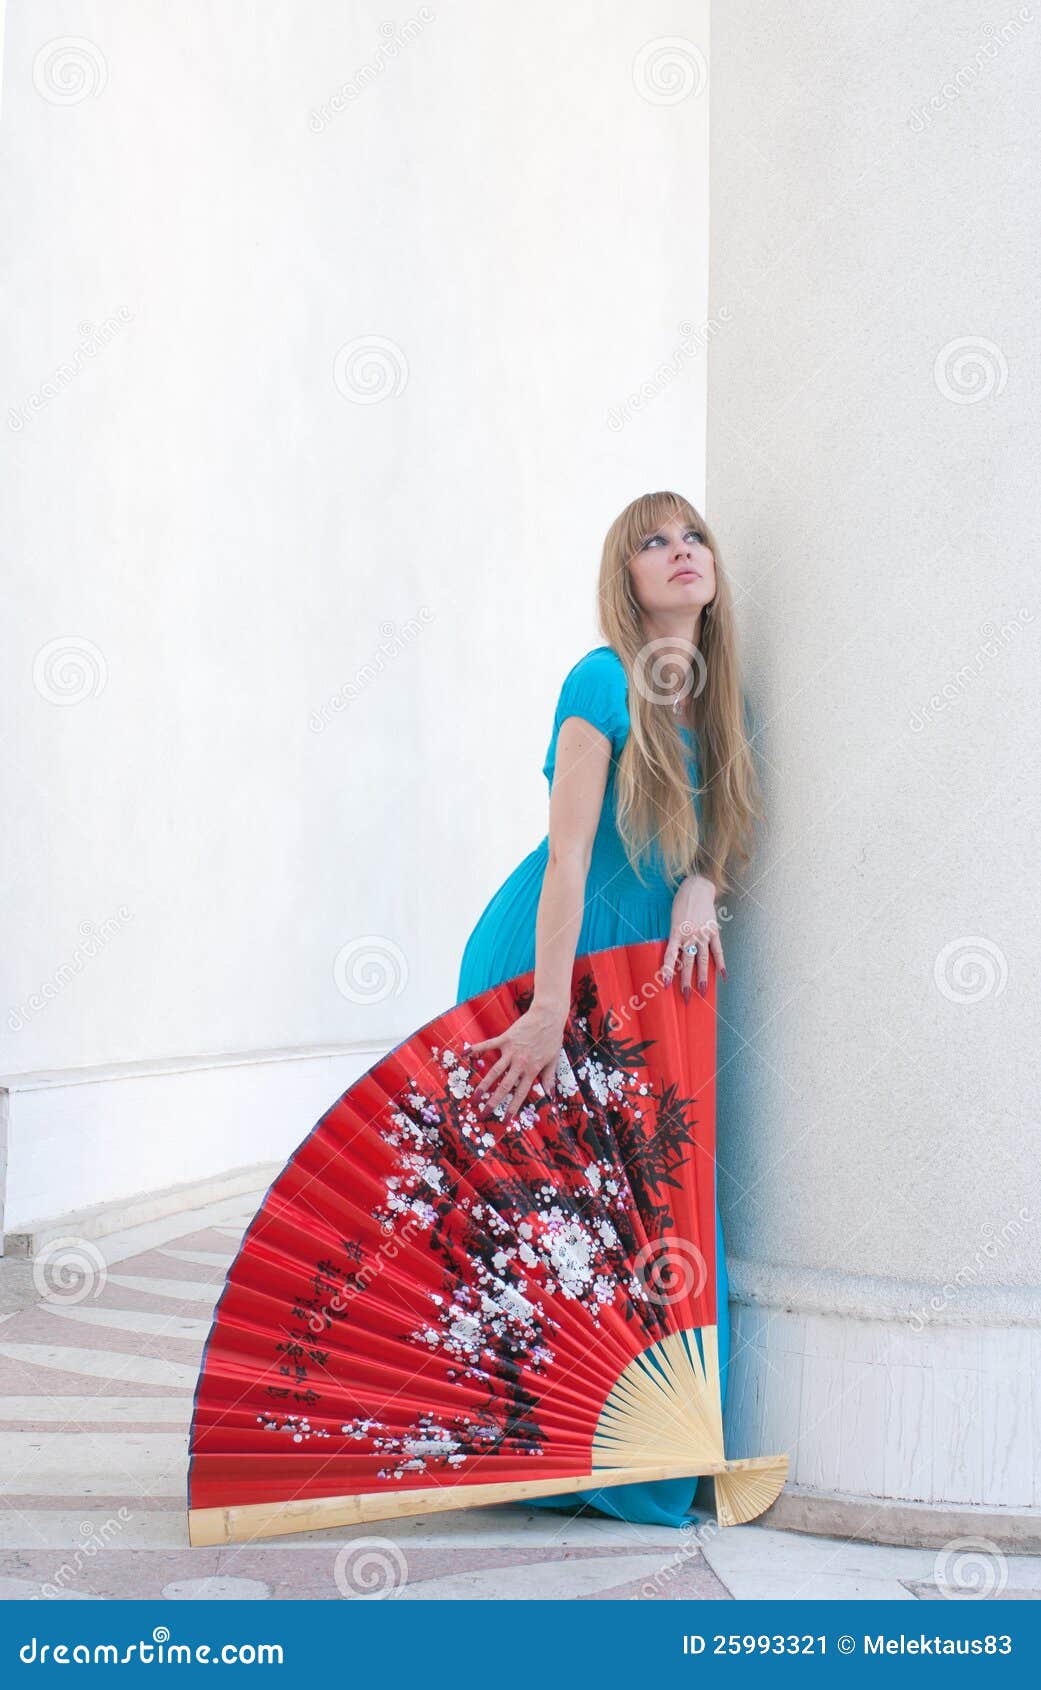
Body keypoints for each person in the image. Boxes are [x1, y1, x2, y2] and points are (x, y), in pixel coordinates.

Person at [455, 490, 763, 1528]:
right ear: (623, 579)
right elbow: (572, 853)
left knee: (652, 1201)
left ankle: (638, 1452)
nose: (681, 553)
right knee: (562, 1202)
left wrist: (703, 884)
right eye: (653, 543)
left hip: (648, 971)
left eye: (693, 537)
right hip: (556, 955)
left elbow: (722, 836)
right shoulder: (600, 680)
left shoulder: (721, 701)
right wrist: (545, 1009)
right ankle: (541, 1447)